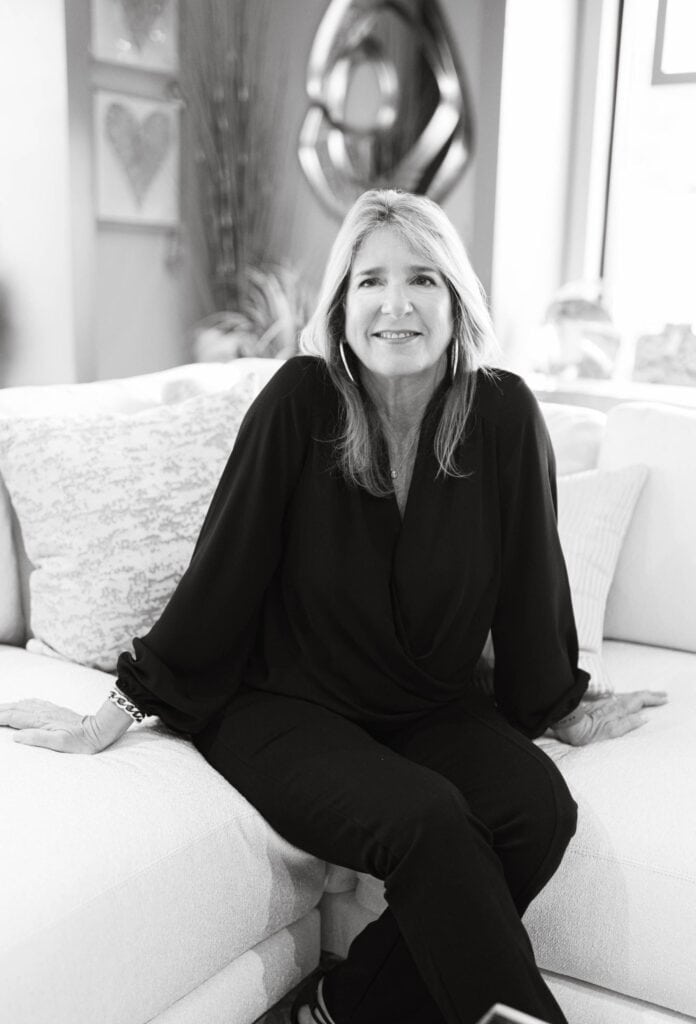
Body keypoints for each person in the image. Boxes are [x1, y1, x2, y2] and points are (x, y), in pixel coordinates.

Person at [0, 189, 667, 1024]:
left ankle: (344, 1006)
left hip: (427, 702)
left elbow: (533, 584)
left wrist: (559, 704)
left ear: (456, 301)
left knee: (536, 810)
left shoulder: (501, 413)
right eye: (370, 281)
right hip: (281, 705)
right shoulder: (300, 399)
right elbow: (223, 572)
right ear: (342, 306)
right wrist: (117, 711)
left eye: (422, 278)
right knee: (428, 820)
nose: (396, 304)